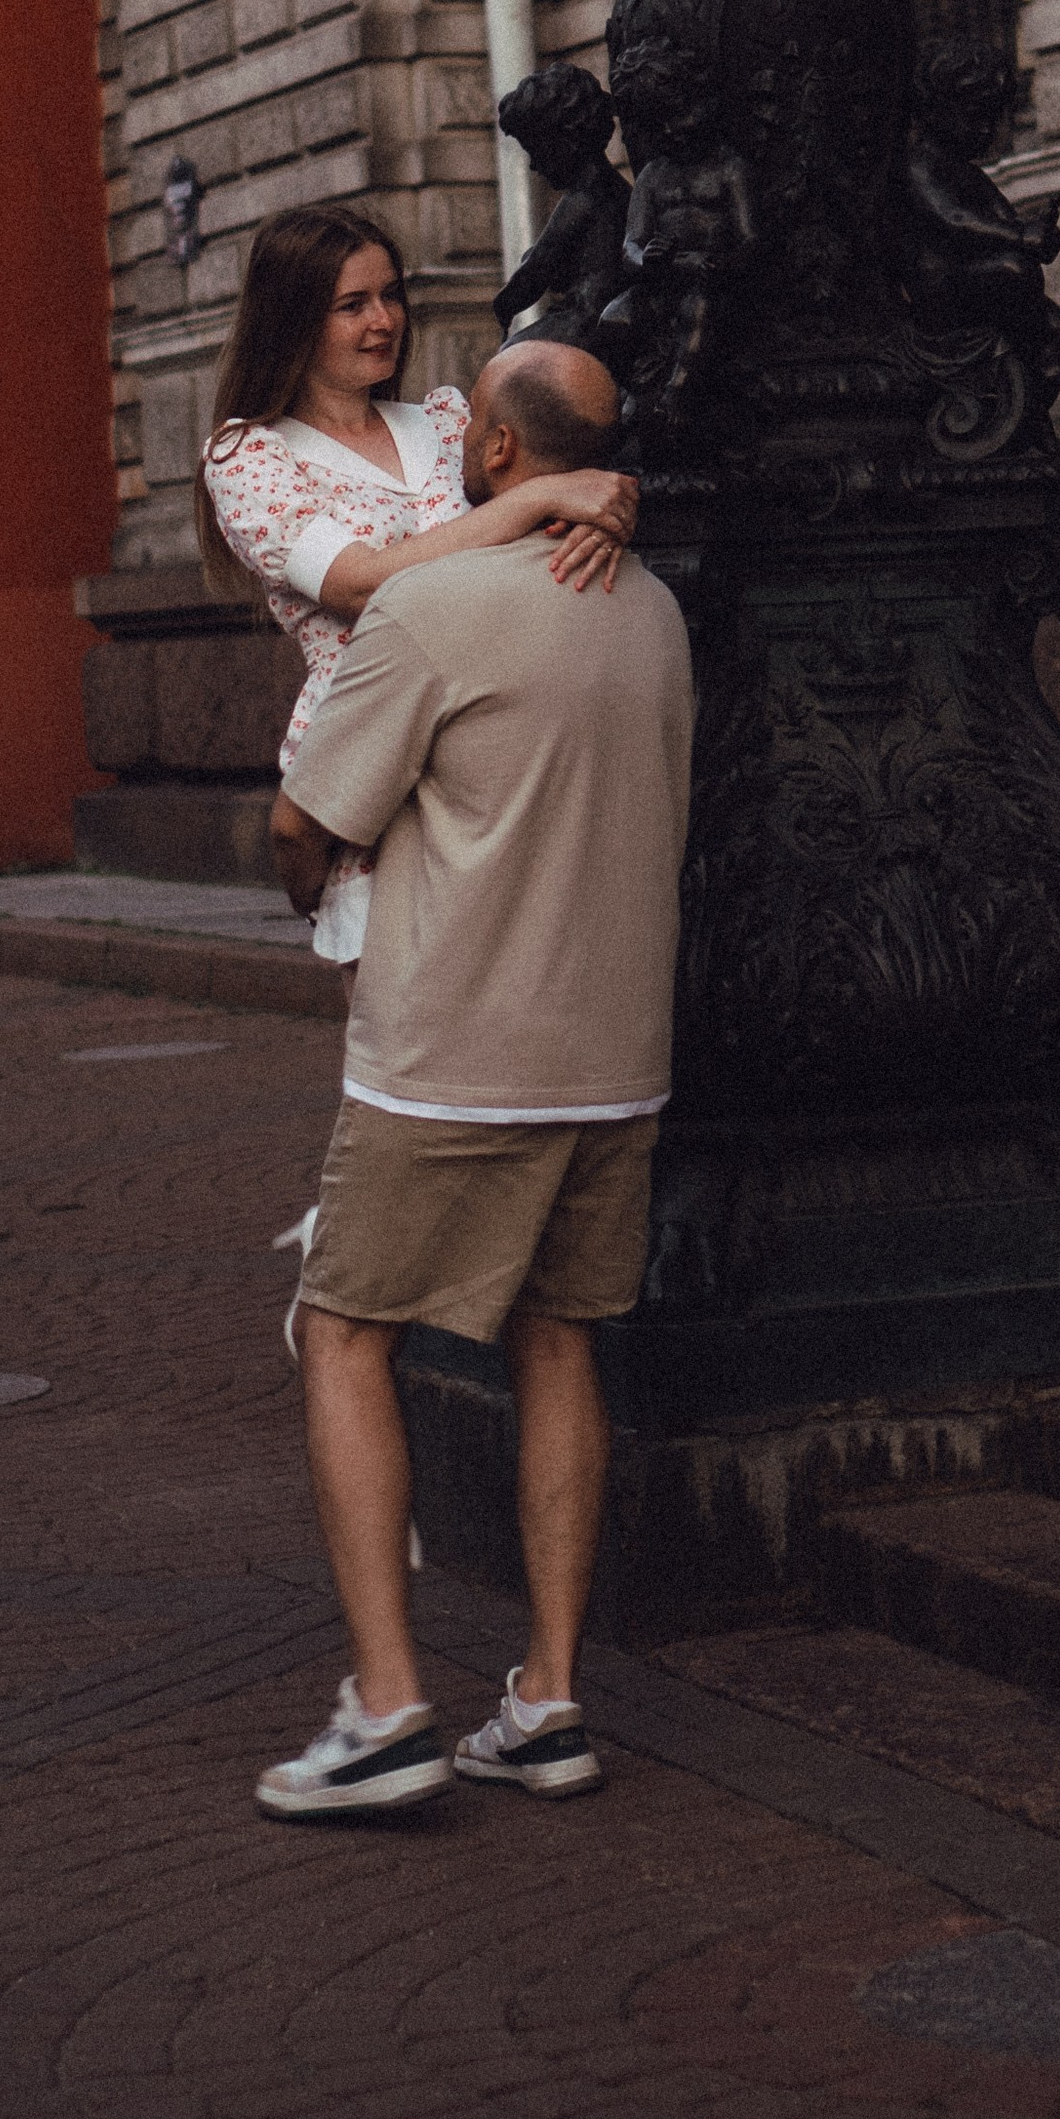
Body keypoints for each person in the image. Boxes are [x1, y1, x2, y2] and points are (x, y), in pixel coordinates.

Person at [253, 341, 693, 1820]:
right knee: (560, 1345)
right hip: (615, 1061)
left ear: (499, 453)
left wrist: (313, 883)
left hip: (451, 1060)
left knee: (344, 1335)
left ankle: (388, 1707)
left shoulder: (431, 610)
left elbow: (306, 822)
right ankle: (548, 1701)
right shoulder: (655, 611)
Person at [197, 206, 641, 965]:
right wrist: (541, 498)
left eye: (391, 295)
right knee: (398, 1026)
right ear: (293, 318)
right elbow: (357, 585)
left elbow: (556, 517)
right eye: (352, 305)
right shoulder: (251, 456)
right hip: (372, 766)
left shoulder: (444, 419)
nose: (384, 321)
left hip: (503, 741)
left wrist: (602, 515)